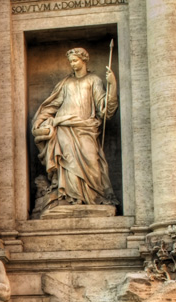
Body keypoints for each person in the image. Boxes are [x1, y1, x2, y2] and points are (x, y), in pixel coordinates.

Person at [31, 47, 118, 217]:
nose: (72, 64)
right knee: (68, 162)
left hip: (86, 127)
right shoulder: (65, 83)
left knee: (92, 162)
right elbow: (52, 105)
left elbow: (104, 108)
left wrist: (112, 84)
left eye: (75, 60)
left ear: (84, 60)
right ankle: (70, 197)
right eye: (70, 61)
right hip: (64, 127)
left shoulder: (93, 80)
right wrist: (40, 121)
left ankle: (92, 197)